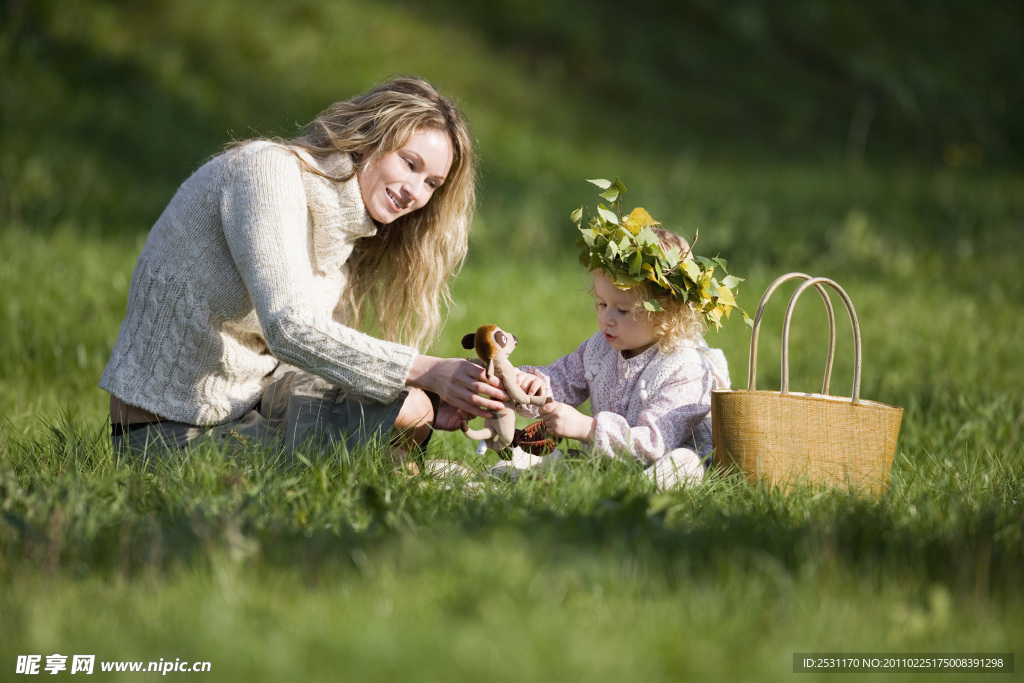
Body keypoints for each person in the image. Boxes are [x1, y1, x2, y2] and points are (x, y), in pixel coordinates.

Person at [100, 76, 508, 461]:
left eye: (432, 184)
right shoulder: (267, 171)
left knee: (411, 411)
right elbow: (289, 328)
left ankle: (416, 482)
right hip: (167, 436)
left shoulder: (343, 232)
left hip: (247, 411)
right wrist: (427, 371)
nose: (415, 192)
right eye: (409, 163)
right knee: (407, 409)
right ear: (368, 140)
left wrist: (435, 399)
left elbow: (308, 362)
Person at [515, 225, 734, 488]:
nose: (606, 319)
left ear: (667, 313)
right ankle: (514, 473)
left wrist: (588, 429)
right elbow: (562, 379)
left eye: (623, 310)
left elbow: (656, 442)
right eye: (602, 304)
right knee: (528, 453)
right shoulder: (600, 348)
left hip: (664, 459)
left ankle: (636, 496)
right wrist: (530, 386)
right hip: (609, 458)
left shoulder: (686, 368)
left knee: (683, 464)